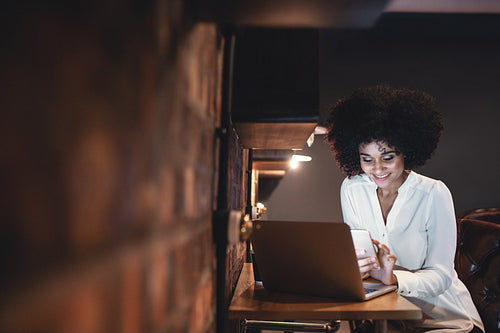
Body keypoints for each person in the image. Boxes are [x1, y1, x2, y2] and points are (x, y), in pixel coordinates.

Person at [325, 85, 484, 332]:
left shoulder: (433, 194)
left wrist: (394, 278)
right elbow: (359, 254)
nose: (377, 169)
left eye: (387, 157)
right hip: (389, 319)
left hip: (447, 321)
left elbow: (441, 276)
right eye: (366, 159)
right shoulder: (352, 189)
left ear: (406, 151)